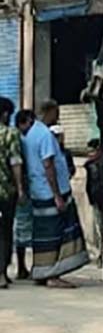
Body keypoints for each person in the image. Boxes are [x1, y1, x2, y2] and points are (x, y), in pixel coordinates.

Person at [15, 107, 89, 287]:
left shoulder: (29, 136)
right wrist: (57, 195)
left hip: (39, 191)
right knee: (56, 233)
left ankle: (41, 271)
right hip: (50, 192)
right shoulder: (43, 135)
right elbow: (48, 165)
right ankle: (52, 274)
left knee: (43, 234)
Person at [0, 97, 25, 287]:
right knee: (5, 231)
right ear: (6, 114)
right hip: (5, 193)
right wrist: (20, 188)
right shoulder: (10, 134)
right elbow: (15, 162)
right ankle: (1, 273)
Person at [84, 137, 103, 259]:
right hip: (99, 198)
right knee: (100, 226)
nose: (90, 154)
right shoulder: (91, 164)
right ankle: (102, 253)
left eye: (92, 151)